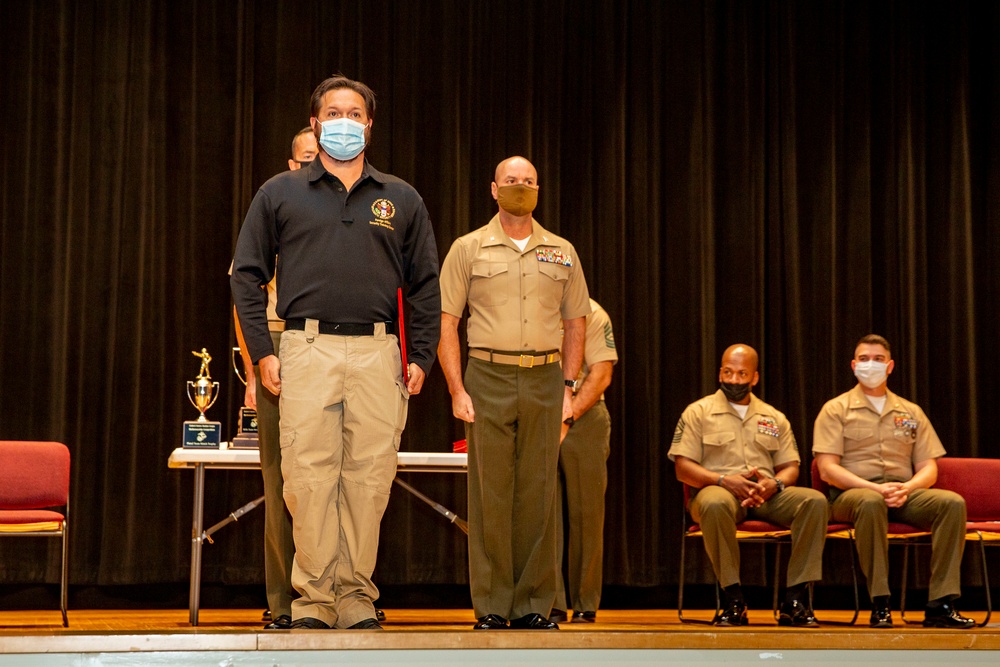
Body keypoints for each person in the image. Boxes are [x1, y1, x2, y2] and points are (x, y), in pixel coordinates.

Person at [231, 75, 441, 631]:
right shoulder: (279, 192)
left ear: (369, 125)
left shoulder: (401, 198)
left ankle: (355, 597)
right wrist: (261, 353)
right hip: (305, 348)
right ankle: (314, 601)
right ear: (317, 123)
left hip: (379, 354)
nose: (344, 120)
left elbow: (426, 284)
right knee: (307, 479)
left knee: (369, 481)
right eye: (333, 111)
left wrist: (421, 355)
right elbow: (246, 276)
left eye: (355, 112)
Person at [438, 156, 591, 630]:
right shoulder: (468, 248)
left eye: (528, 182)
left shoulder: (562, 251)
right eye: (511, 181)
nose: (519, 187)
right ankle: (491, 604)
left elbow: (575, 322)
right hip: (488, 375)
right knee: (490, 493)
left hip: (545, 379)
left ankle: (533, 604)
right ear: (493, 189)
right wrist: (457, 388)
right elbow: (447, 323)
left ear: (538, 190)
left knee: (538, 492)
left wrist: (568, 386)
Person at [812, 334, 974, 629]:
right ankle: (880, 601)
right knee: (871, 501)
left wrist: (908, 488)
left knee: (951, 504)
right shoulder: (835, 409)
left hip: (903, 493)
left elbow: (928, 467)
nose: (870, 365)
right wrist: (874, 488)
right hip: (851, 497)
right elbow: (826, 469)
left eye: (877, 359)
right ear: (853, 365)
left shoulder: (910, 412)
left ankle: (941, 603)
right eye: (863, 359)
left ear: (890, 366)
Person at [668, 344, 827, 627]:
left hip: (765, 496)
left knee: (814, 501)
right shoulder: (698, 412)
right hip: (717, 490)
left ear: (754, 378)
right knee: (715, 503)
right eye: (728, 372)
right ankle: (733, 599)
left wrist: (774, 484)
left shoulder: (773, 417)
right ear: (720, 372)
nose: (734, 380)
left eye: (742, 374)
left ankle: (795, 599)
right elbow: (683, 468)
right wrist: (723, 480)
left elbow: (791, 467)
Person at [231, 127, 318, 630]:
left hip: (336, 343)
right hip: (279, 343)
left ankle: (338, 593)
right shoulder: (273, 210)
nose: (312, 166)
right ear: (291, 163)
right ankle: (284, 599)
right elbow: (244, 302)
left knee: (341, 480)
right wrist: (254, 365)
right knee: (282, 479)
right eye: (305, 158)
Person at [549, 298, 617, 624]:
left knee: (586, 515)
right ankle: (551, 601)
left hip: (584, 416)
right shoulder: (531, 305)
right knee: (544, 514)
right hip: (539, 414)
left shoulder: (593, 312)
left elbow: (601, 374)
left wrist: (568, 417)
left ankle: (584, 602)